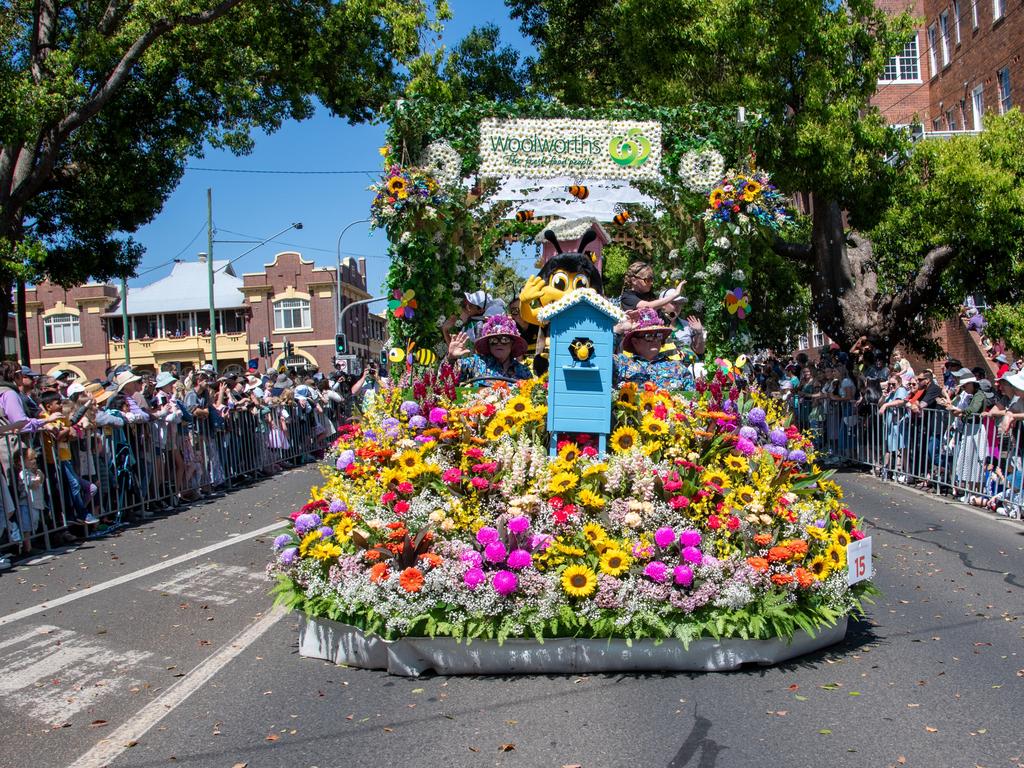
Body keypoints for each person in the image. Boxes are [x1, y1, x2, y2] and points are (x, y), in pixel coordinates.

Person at [612, 308, 695, 391]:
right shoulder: (622, 364)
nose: (655, 340)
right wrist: (618, 330)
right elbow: (601, 358)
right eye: (649, 336)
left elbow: (693, 398)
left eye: (658, 336)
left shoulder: (677, 367)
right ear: (635, 342)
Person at [445, 314, 532, 384]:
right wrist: (451, 359)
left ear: (512, 344)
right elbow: (446, 381)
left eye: (504, 339)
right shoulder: (475, 363)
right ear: (488, 344)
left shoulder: (524, 372)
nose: (498, 343)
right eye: (493, 340)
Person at [442, 291, 506, 344]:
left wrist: (445, 331)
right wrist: (445, 330)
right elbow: (455, 349)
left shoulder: (480, 326)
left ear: (480, 310)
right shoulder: (470, 324)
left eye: (470, 305)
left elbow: (459, 353)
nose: (466, 307)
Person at [618, 262, 683, 312]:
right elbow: (648, 306)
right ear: (634, 280)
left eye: (652, 279)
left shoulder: (650, 295)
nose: (651, 283)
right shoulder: (627, 297)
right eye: (648, 280)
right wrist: (674, 295)